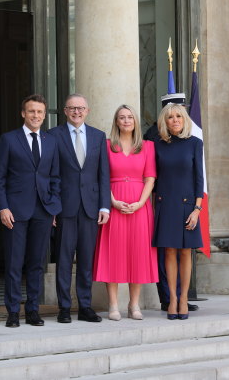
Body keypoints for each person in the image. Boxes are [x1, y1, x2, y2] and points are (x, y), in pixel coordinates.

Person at [0, 94, 61, 328]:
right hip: (15, 211)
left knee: (36, 263)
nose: (36, 116)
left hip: (43, 211)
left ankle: (33, 310)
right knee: (14, 262)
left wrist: (53, 208)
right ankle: (12, 311)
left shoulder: (50, 141)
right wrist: (3, 207)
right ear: (23, 113)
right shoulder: (9, 140)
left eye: (40, 112)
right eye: (32, 111)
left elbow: (55, 178)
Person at [48, 94, 110, 323]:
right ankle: (64, 307)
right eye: (72, 108)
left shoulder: (98, 136)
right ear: (65, 111)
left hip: (91, 208)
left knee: (86, 259)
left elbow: (104, 175)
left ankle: (85, 306)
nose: (76, 112)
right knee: (64, 260)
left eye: (80, 108)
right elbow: (49, 174)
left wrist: (105, 206)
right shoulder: (53, 136)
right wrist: (52, 207)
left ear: (87, 111)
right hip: (64, 207)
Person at [93, 105, 157, 321]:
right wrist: (111, 200)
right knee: (114, 253)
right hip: (113, 203)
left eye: (130, 117)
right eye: (122, 117)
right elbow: (101, 175)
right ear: (116, 122)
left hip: (140, 206)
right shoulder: (106, 146)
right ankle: (113, 305)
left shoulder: (147, 146)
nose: (126, 120)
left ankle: (134, 304)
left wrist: (140, 203)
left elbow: (150, 178)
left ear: (135, 121)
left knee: (137, 253)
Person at [143, 93, 199, 314]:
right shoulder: (153, 141)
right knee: (167, 253)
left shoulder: (194, 142)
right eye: (171, 115)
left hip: (187, 204)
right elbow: (149, 173)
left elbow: (198, 177)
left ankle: (181, 298)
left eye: (180, 114)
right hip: (165, 203)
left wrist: (197, 208)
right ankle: (169, 299)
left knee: (184, 252)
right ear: (164, 118)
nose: (175, 118)